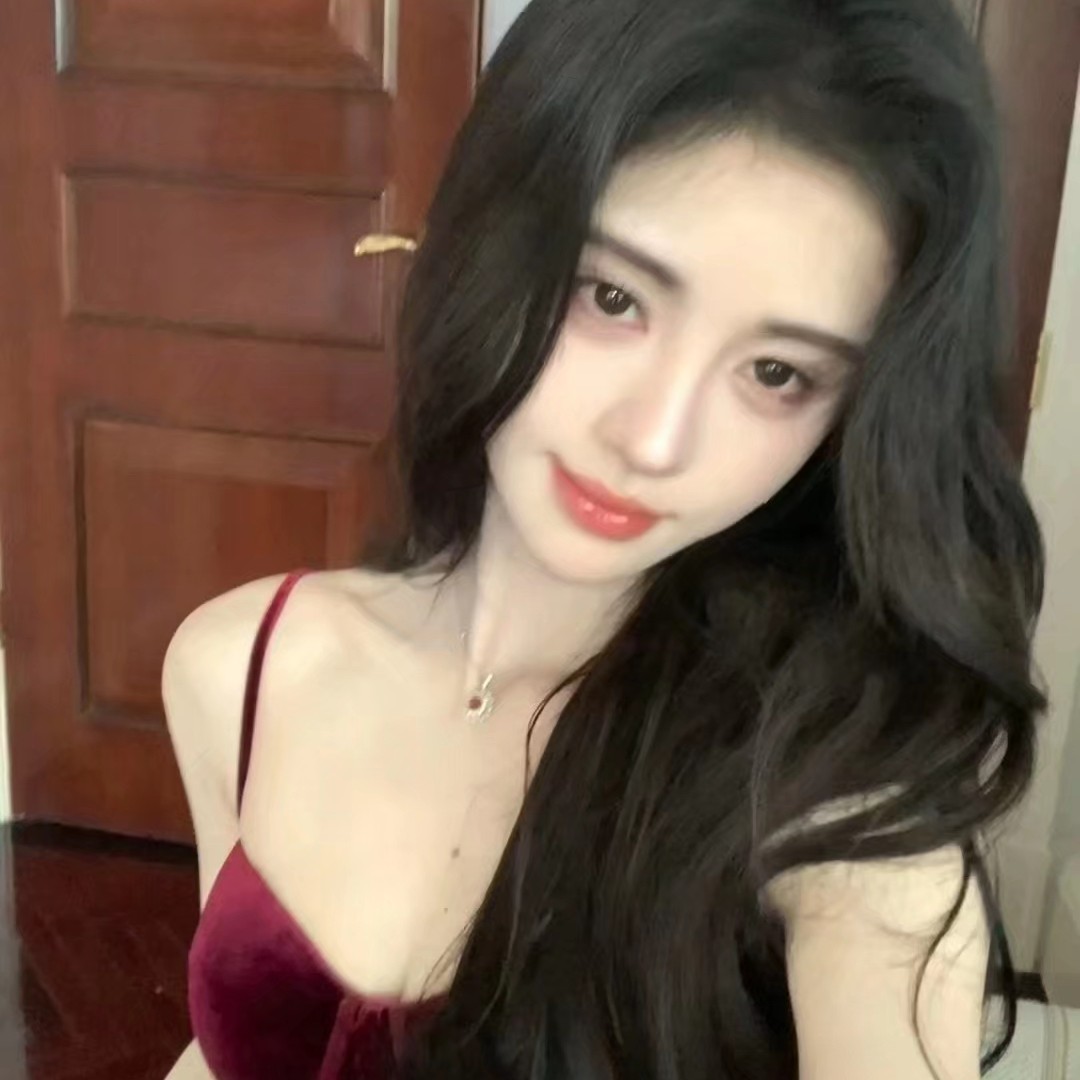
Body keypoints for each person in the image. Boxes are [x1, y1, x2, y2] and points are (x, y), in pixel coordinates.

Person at [162, 0, 1047, 1077]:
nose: (654, 440)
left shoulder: (835, 811)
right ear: (492, 242)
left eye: (777, 373)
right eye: (613, 296)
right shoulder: (239, 669)